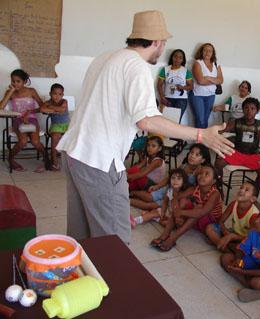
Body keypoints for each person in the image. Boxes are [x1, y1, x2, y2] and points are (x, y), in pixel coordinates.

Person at [56, 11, 233, 244]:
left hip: (74, 153)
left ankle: (82, 279)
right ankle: (108, 280)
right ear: (158, 42)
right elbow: (147, 120)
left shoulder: (105, 57)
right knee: (113, 244)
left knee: (81, 237)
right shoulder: (136, 66)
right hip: (98, 161)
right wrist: (201, 135)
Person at [151, 164, 222, 251]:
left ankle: (173, 239)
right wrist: (177, 213)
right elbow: (176, 197)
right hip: (196, 220)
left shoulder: (215, 194)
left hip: (209, 222)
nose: (202, 176)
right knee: (183, 201)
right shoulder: (194, 189)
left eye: (206, 174)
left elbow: (202, 212)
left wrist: (181, 212)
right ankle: (165, 235)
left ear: (214, 181)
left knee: (198, 209)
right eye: (200, 173)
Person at [129, 143, 210, 212]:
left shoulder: (200, 172)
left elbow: (194, 190)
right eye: (191, 153)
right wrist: (157, 186)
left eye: (197, 155)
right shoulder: (184, 166)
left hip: (180, 196)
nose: (192, 156)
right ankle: (133, 193)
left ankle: (125, 200)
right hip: (170, 189)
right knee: (149, 197)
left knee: (149, 206)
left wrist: (177, 197)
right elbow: (169, 177)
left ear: (203, 160)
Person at [215, 97, 260, 190]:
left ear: (256, 111)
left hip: (252, 155)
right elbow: (223, 130)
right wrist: (215, 131)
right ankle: (219, 188)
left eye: (252, 109)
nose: (249, 111)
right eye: (246, 108)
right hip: (237, 153)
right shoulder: (236, 122)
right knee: (218, 163)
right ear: (243, 109)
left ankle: (254, 192)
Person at [0, 69, 46, 172]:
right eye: (13, 81)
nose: (15, 83)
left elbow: (42, 107)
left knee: (35, 141)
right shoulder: (9, 92)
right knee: (23, 141)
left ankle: (47, 158)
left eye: (18, 81)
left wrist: (30, 112)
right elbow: (1, 107)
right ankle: (10, 159)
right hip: (18, 120)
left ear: (24, 82)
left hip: (32, 120)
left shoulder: (31, 91)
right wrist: (11, 91)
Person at [205, 181, 259, 252]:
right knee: (209, 228)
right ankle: (226, 248)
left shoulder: (254, 215)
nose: (241, 190)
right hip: (233, 232)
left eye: (246, 190)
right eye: (241, 188)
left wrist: (232, 237)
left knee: (245, 248)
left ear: (253, 199)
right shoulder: (234, 204)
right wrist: (225, 231)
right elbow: (221, 221)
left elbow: (251, 238)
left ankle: (223, 245)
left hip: (245, 239)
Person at [189, 43, 224, 128]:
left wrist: (208, 77)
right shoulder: (197, 63)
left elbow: (221, 80)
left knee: (205, 120)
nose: (207, 52)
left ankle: (203, 140)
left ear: (213, 53)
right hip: (198, 95)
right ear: (201, 51)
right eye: (205, 50)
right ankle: (199, 140)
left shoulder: (216, 64)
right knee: (200, 120)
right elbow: (200, 81)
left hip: (211, 96)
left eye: (210, 51)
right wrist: (215, 80)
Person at [157, 49, 193, 121]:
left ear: (183, 60)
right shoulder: (165, 70)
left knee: (176, 121)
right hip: (167, 99)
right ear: (172, 57)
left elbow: (191, 86)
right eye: (175, 56)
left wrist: (182, 87)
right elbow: (159, 85)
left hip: (181, 100)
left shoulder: (186, 71)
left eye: (180, 57)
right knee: (165, 121)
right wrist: (162, 97)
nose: (177, 59)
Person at [40, 83, 69, 171]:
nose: (57, 96)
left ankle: (73, 162)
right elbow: (42, 109)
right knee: (55, 138)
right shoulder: (47, 102)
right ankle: (55, 163)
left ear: (63, 95)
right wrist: (54, 110)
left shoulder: (64, 101)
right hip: (55, 126)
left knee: (75, 137)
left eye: (60, 94)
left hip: (67, 125)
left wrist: (51, 108)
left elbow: (62, 109)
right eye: (54, 93)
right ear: (50, 94)